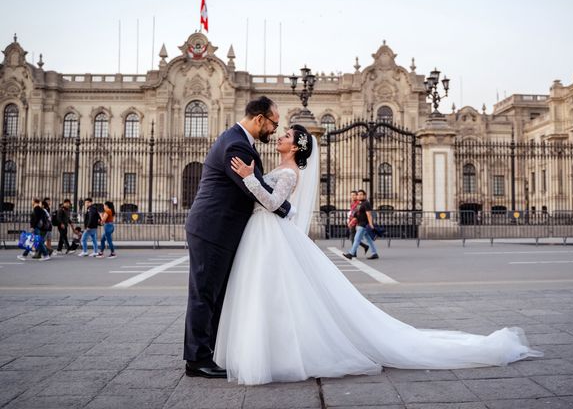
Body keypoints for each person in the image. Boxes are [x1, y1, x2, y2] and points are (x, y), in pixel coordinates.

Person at [215, 124, 542, 385]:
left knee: (279, 295)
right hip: (265, 234)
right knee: (275, 295)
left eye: (286, 135)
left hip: (270, 234)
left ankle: (278, 352)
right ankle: (274, 349)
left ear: (297, 145)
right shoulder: (280, 167)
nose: (280, 136)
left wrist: (248, 178)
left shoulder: (289, 172)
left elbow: (272, 204)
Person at [183, 96, 293, 379]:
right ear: (259, 119)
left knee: (214, 294)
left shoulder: (238, 141)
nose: (274, 130)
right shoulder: (237, 146)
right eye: (273, 124)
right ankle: (197, 360)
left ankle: (208, 353)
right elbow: (255, 192)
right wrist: (284, 207)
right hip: (212, 228)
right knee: (204, 294)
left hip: (218, 229)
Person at [343, 189, 379, 260]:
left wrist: (371, 224)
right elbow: (356, 215)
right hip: (360, 224)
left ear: (364, 196)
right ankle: (374, 253)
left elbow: (369, 214)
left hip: (363, 225)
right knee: (368, 240)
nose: (359, 196)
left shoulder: (366, 203)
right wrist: (351, 222)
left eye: (361, 194)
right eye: (358, 194)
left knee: (356, 239)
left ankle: (351, 254)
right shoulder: (359, 204)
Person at [347, 190, 369, 255]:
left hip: (356, 223)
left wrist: (352, 222)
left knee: (353, 237)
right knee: (354, 238)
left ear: (356, 196)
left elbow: (357, 214)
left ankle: (354, 253)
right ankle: (364, 246)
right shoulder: (352, 203)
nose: (352, 196)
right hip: (352, 222)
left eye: (354, 195)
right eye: (351, 195)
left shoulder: (358, 203)